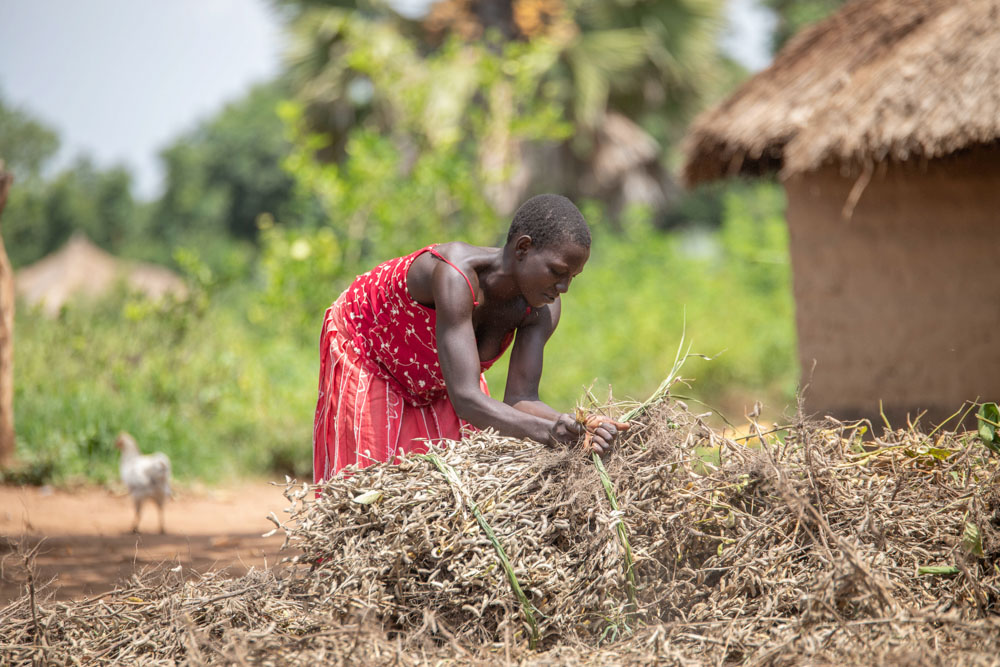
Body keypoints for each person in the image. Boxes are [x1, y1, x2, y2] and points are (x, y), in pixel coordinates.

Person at [312, 194, 622, 482]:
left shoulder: (542, 308)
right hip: (368, 353)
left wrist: (577, 427)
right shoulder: (455, 276)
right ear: (523, 249)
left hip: (443, 378)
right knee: (370, 485)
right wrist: (551, 433)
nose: (564, 287)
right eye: (557, 272)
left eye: (572, 278)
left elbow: (521, 399)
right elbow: (466, 399)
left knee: (449, 492)